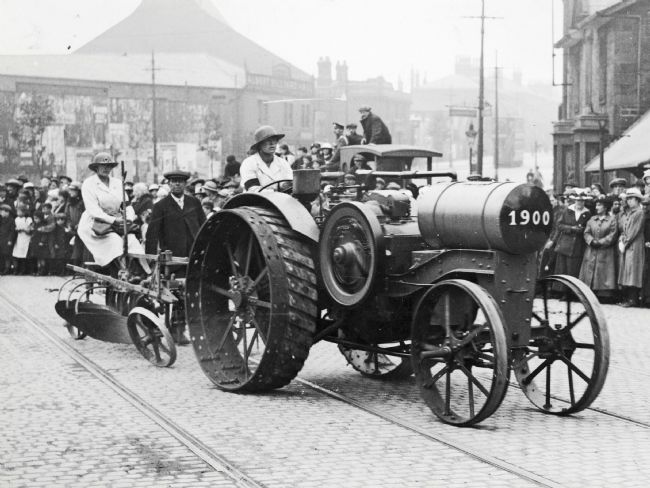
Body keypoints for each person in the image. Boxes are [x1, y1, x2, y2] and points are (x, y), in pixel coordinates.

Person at [76, 152, 146, 277]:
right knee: (115, 243)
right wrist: (113, 220)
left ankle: (144, 274)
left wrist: (129, 218)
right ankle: (122, 273)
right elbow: (93, 210)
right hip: (95, 224)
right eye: (102, 166)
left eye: (109, 166)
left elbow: (127, 205)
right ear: (96, 167)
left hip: (118, 222)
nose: (106, 169)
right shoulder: (89, 184)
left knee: (132, 242)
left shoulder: (118, 183)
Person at [145, 169, 206, 259]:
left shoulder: (194, 202)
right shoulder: (160, 206)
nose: (177, 184)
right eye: (174, 181)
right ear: (169, 184)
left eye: (180, 181)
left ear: (185, 184)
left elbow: (203, 226)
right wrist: (151, 258)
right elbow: (152, 235)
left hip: (194, 256)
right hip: (172, 259)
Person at [579, 197, 618, 298]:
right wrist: (591, 241)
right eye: (596, 205)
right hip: (591, 249)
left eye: (599, 205)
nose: (597, 207)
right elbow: (586, 232)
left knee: (603, 271)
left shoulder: (612, 220)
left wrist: (600, 242)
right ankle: (589, 293)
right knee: (589, 270)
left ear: (605, 208)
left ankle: (603, 294)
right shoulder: (592, 219)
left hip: (605, 251)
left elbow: (613, 234)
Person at [240, 125, 293, 192]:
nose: (272, 143)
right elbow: (253, 189)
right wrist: (277, 191)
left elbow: (290, 183)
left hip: (280, 201)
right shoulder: (249, 163)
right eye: (268, 140)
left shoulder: (283, 163)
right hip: (255, 201)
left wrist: (286, 185)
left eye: (274, 140)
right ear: (259, 145)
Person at [617, 188, 645, 307]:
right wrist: (622, 238)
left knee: (633, 271)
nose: (629, 201)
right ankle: (628, 298)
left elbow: (634, 231)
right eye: (628, 199)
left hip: (634, 244)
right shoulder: (630, 212)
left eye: (631, 198)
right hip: (628, 244)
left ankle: (633, 299)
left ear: (637, 200)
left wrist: (625, 242)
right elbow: (625, 228)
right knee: (627, 271)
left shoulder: (639, 212)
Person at [553, 192, 591, 277]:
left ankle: (570, 290)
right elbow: (559, 225)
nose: (580, 203)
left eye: (582, 201)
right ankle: (559, 290)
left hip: (578, 247)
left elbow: (588, 228)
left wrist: (582, 230)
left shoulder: (587, 213)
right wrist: (571, 228)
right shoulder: (567, 211)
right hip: (564, 245)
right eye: (578, 200)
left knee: (573, 272)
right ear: (574, 200)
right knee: (561, 271)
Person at [0, 204, 15, 274]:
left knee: (7, 255)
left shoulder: (11, 220)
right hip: (1, 239)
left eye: (2, 211)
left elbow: (12, 232)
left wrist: (10, 240)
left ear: (7, 212)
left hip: (7, 240)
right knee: (2, 254)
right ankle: (2, 268)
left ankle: (7, 268)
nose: (0, 213)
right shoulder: (1, 219)